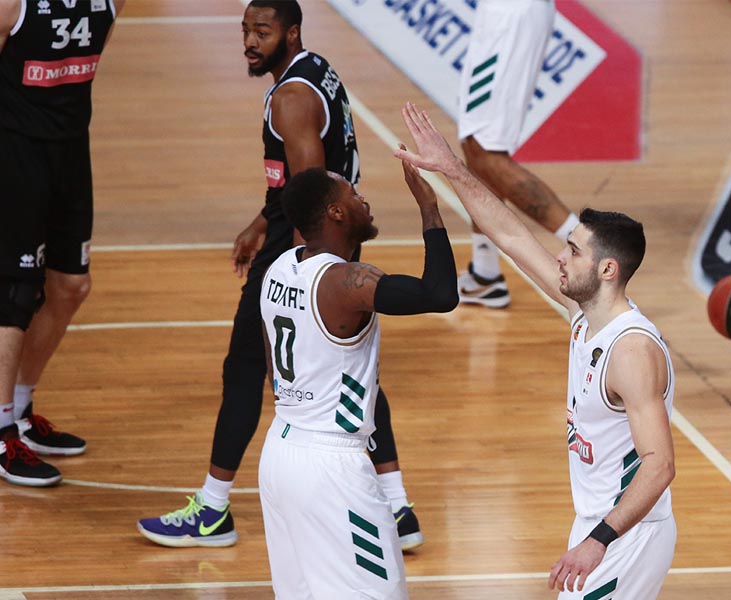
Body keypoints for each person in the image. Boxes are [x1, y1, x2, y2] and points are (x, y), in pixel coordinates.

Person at [137, 0, 423, 550]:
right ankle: (397, 506)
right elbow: (293, 186)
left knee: (245, 367)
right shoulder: (316, 69)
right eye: (246, 30)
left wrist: (299, 274)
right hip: (323, 240)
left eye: (262, 32)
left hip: (304, 249)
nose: (249, 41)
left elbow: (310, 198)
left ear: (291, 33)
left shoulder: (290, 99)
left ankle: (212, 511)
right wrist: (260, 221)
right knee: (354, 374)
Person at [397, 103, 677, 599]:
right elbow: (508, 233)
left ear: (607, 270)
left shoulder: (631, 351)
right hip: (599, 524)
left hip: (626, 535)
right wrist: (452, 169)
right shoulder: (583, 312)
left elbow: (659, 465)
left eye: (573, 251)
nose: (560, 259)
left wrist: (597, 542)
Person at [259, 165, 457, 599]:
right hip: (331, 466)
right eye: (353, 194)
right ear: (335, 212)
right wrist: (429, 207)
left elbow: (271, 361)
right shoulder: (345, 283)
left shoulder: (279, 269)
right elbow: (441, 294)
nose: (362, 199)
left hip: (280, 451)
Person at [0, 0, 125, 487]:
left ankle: (21, 409)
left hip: (71, 153)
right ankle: (1, 430)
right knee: (14, 291)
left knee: (71, 285)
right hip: (15, 154)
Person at [455, 0, 580, 309]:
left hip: (509, 15)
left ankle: (590, 246)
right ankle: (485, 274)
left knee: (486, 151)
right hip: (502, 14)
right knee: (476, 148)